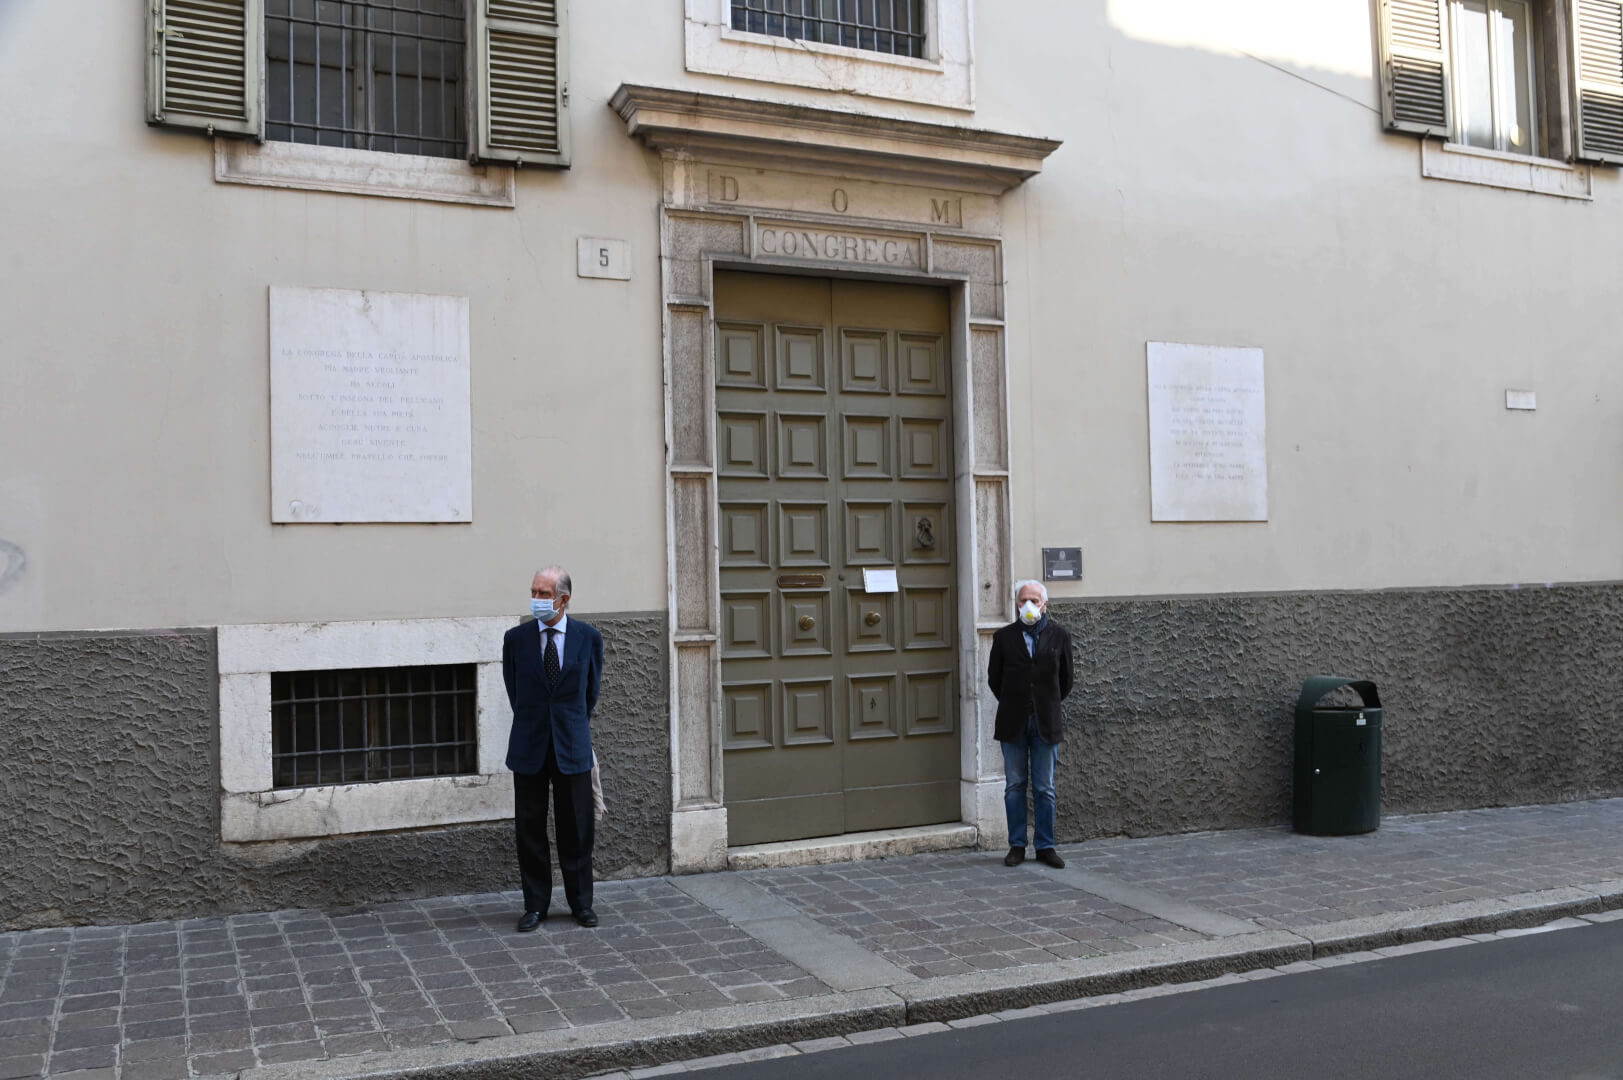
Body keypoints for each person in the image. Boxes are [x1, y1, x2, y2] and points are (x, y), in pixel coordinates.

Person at [502, 566, 604, 930]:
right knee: (529, 829)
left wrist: (568, 725)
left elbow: (590, 694)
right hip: (529, 744)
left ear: (564, 599)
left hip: (571, 744)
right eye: (534, 592)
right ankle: (535, 905)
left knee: (577, 828)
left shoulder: (587, 638)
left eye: (544, 594)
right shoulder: (516, 639)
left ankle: (581, 904)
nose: (537, 599)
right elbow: (514, 691)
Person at [987, 579, 1074, 869]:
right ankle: (1017, 845)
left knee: (1044, 787)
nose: (1028, 605)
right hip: (1013, 722)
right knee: (1014, 785)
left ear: (1044, 605)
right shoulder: (1004, 637)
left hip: (1046, 722)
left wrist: (1042, 704)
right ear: (1016, 604)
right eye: (1023, 600)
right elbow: (995, 679)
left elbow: (1066, 680)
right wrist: (1017, 702)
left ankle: (1045, 846)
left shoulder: (1059, 636)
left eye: (1034, 601)